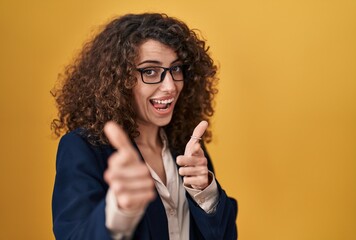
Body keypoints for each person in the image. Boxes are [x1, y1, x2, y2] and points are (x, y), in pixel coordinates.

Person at [51, 13, 237, 240]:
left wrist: (206, 194)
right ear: (119, 80)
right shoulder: (83, 148)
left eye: (176, 69)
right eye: (150, 71)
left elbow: (225, 235)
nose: (170, 86)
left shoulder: (186, 148)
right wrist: (119, 210)